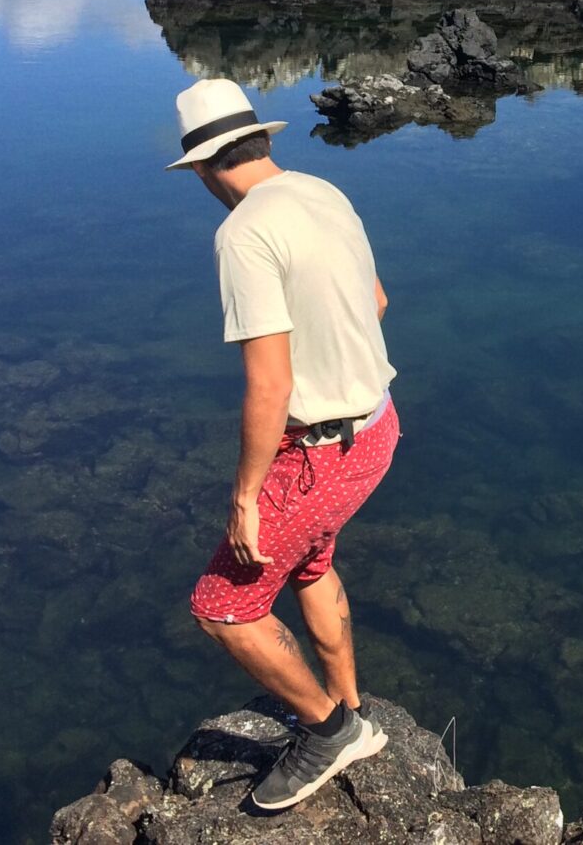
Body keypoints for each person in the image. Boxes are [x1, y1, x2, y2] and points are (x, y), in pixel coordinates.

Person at [167, 77, 401, 811]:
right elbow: (378, 301)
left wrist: (245, 498)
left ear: (205, 169)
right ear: (262, 141)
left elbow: (268, 387)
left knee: (222, 610)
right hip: (378, 430)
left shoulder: (242, 234)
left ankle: (332, 730)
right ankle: (352, 703)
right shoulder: (320, 191)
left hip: (320, 454)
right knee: (310, 562)